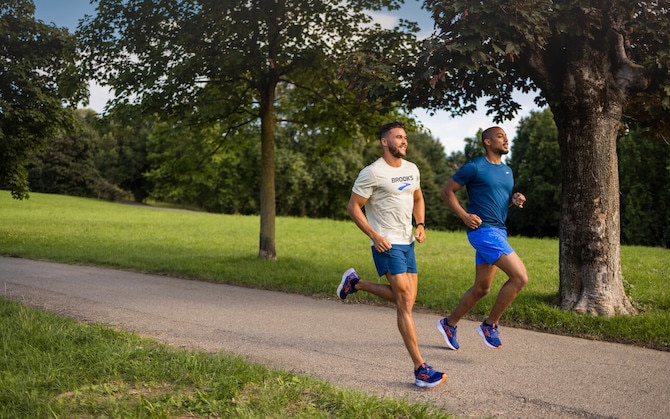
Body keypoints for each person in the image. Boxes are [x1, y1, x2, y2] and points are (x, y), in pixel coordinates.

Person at [337, 121, 446, 388]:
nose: (404, 141)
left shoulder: (412, 169)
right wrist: (375, 236)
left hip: (408, 242)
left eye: (405, 137)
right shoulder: (372, 172)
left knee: (407, 299)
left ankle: (356, 283)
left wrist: (420, 224)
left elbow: (418, 198)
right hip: (387, 243)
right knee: (405, 300)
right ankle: (420, 368)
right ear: (384, 141)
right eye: (398, 137)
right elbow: (354, 208)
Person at [436, 126, 528, 350]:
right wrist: (464, 216)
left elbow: (497, 204)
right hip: (483, 231)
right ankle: (490, 325)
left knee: (482, 288)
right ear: (487, 142)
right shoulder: (475, 167)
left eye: (506, 137)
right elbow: (447, 191)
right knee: (520, 277)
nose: (505, 140)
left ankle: (449, 324)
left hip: (498, 230)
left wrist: (512, 201)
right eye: (499, 136)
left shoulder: (507, 171)